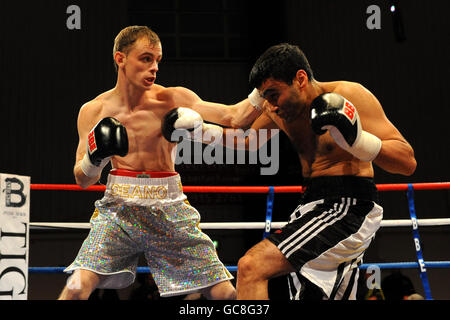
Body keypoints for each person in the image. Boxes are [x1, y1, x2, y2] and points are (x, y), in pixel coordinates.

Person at [58, 25, 260, 300]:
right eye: (145, 59)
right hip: (119, 210)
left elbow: (234, 117)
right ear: (120, 59)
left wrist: (266, 86)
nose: (154, 68)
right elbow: (83, 179)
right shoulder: (93, 110)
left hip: (169, 205)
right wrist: (96, 158)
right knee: (77, 287)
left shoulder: (171, 99)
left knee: (225, 293)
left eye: (157, 60)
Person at [214, 43, 417, 300]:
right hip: (309, 204)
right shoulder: (277, 110)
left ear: (300, 79)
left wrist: (358, 140)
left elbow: (407, 162)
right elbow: (246, 141)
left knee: (251, 266)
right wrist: (197, 131)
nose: (271, 106)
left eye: (274, 94)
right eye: (266, 98)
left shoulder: (349, 94)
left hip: (348, 205)